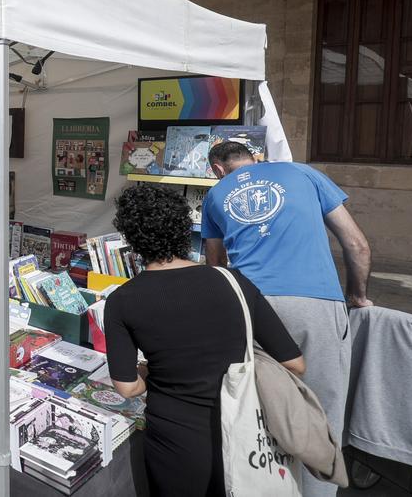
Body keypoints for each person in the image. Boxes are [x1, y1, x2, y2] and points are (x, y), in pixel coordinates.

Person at [105, 183, 304, 496]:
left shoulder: (122, 300)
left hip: (175, 441)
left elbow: (128, 387)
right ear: (184, 229)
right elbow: (294, 363)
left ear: (131, 239)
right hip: (247, 432)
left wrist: (149, 371)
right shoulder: (233, 280)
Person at [202, 142, 371, 497]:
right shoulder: (303, 172)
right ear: (254, 157)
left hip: (251, 306)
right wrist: (356, 295)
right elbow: (356, 245)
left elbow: (215, 267)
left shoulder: (216, 194)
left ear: (218, 168)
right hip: (315, 302)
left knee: (258, 406)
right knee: (323, 407)